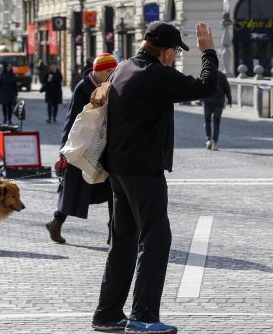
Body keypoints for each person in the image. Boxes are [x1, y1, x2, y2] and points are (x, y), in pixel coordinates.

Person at [89, 21, 218, 333]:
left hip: (118, 169)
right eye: (174, 53)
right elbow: (205, 87)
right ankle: (143, 315)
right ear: (167, 51)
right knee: (156, 238)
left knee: (124, 240)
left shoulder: (123, 68)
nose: (173, 58)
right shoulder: (155, 74)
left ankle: (107, 314)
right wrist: (208, 53)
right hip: (143, 170)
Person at [46, 54, 119, 244]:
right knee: (73, 189)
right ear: (100, 71)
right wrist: (64, 151)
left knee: (113, 189)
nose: (114, 74)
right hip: (84, 147)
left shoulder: (110, 86)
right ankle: (56, 222)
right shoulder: (83, 88)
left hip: (105, 146)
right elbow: (72, 120)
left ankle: (114, 231)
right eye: (111, 71)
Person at [203, 70, 232, 151]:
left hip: (207, 102)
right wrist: (229, 100)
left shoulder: (206, 74)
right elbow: (227, 88)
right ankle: (215, 143)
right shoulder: (222, 75)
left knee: (207, 121)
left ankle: (208, 140)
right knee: (216, 123)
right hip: (218, 103)